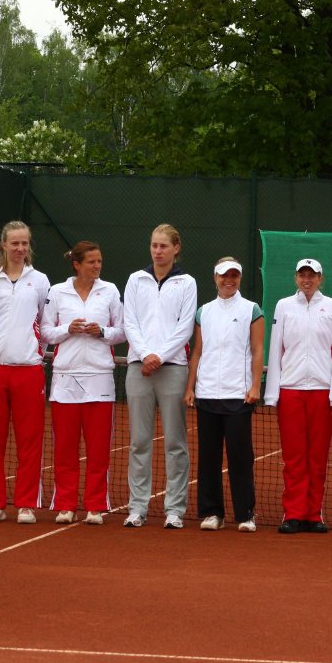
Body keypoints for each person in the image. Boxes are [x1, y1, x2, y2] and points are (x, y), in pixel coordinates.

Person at [41, 241, 126, 525]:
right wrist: (69, 329)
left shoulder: (110, 290)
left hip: (100, 379)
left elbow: (122, 331)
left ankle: (95, 506)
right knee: (64, 449)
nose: (97, 266)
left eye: (99, 261)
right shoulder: (57, 291)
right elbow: (46, 332)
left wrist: (101, 331)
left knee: (99, 449)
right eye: (91, 262)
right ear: (77, 264)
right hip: (65, 380)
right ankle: (65, 504)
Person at [0, 221, 51, 524]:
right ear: (3, 244)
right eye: (14, 243)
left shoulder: (41, 281)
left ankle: (26, 504)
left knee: (30, 440)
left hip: (28, 371)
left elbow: (44, 325)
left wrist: (32, 351)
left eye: (24, 244)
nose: (20, 249)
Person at [122, 223, 197, 528]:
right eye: (154, 245)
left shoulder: (187, 283)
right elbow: (130, 321)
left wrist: (161, 356)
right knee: (139, 441)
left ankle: (174, 510)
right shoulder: (135, 279)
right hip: (139, 368)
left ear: (176, 248)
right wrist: (145, 354)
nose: (158, 251)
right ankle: (137, 507)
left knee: (175, 443)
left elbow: (185, 326)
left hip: (174, 369)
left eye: (164, 246)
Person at [263, 258, 332, 534]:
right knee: (294, 457)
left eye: (312, 275)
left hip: (322, 392)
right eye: (302, 274)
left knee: (317, 457)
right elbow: (275, 348)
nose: (307, 279)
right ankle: (293, 513)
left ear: (321, 278)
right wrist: (272, 393)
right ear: (296, 278)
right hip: (291, 390)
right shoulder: (284, 306)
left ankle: (313, 514)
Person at [183, 258, 265, 532]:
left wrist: (255, 386)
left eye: (234, 275)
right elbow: (197, 351)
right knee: (209, 457)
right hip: (207, 395)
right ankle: (211, 513)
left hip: (238, 396)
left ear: (239, 278)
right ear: (215, 277)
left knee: (240, 457)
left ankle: (245, 514)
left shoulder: (251, 310)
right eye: (224, 275)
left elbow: (257, 350)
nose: (229, 280)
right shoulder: (203, 312)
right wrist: (190, 387)